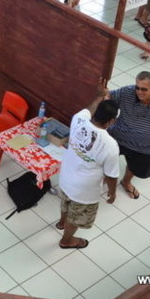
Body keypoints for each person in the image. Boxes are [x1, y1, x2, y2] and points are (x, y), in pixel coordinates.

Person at [56, 88, 120, 249]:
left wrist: (100, 97)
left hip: (65, 177)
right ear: (111, 121)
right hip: (84, 190)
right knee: (76, 217)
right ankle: (66, 240)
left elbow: (88, 109)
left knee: (65, 203)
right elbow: (111, 175)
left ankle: (61, 223)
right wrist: (112, 192)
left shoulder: (78, 119)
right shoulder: (110, 145)